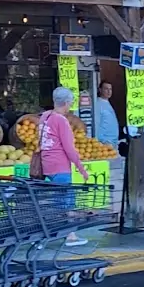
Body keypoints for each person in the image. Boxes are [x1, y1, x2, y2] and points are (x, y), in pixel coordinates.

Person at [39, 86, 89, 248]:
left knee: (57, 201)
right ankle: (69, 236)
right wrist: (81, 169)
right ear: (67, 102)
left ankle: (62, 234)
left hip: (47, 164)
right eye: (71, 102)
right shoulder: (61, 121)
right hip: (60, 165)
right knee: (66, 202)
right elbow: (69, 148)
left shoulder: (45, 116)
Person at [97, 80, 119, 148]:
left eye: (110, 89)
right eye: (106, 89)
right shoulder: (98, 104)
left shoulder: (107, 103)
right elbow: (97, 123)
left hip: (112, 142)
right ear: (100, 90)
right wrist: (102, 141)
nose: (109, 91)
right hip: (105, 143)